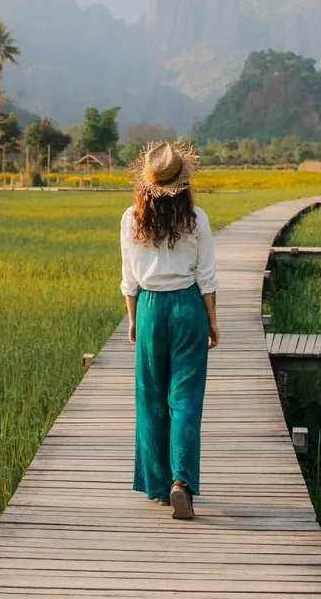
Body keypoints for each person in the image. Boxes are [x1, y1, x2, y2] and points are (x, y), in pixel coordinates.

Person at [120, 140, 219, 520]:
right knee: (186, 398)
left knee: (150, 397)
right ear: (183, 183)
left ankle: (159, 486)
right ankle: (182, 482)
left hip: (149, 307)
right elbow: (206, 277)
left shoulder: (131, 218)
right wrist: (211, 319)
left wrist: (133, 318)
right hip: (188, 307)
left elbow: (129, 279)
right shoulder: (196, 218)